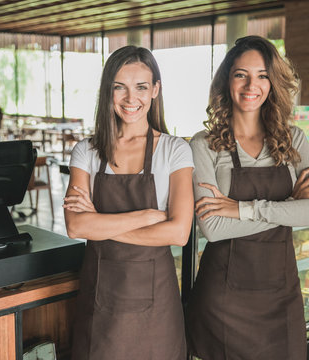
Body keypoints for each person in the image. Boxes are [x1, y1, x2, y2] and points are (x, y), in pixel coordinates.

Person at [185, 35, 309, 360]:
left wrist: (243, 209)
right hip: (223, 300)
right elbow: (214, 228)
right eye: (241, 74)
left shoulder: (293, 139)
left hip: (281, 296)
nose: (251, 84)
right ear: (227, 79)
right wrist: (292, 207)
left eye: (262, 75)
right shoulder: (205, 145)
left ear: (273, 82)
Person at [63, 45, 194, 359]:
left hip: (157, 305)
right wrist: (148, 215)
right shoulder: (87, 151)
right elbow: (76, 225)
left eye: (141, 87)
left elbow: (178, 233)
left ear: (155, 91)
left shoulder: (175, 150)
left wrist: (101, 225)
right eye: (119, 87)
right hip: (100, 299)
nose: (130, 98)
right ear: (108, 90)